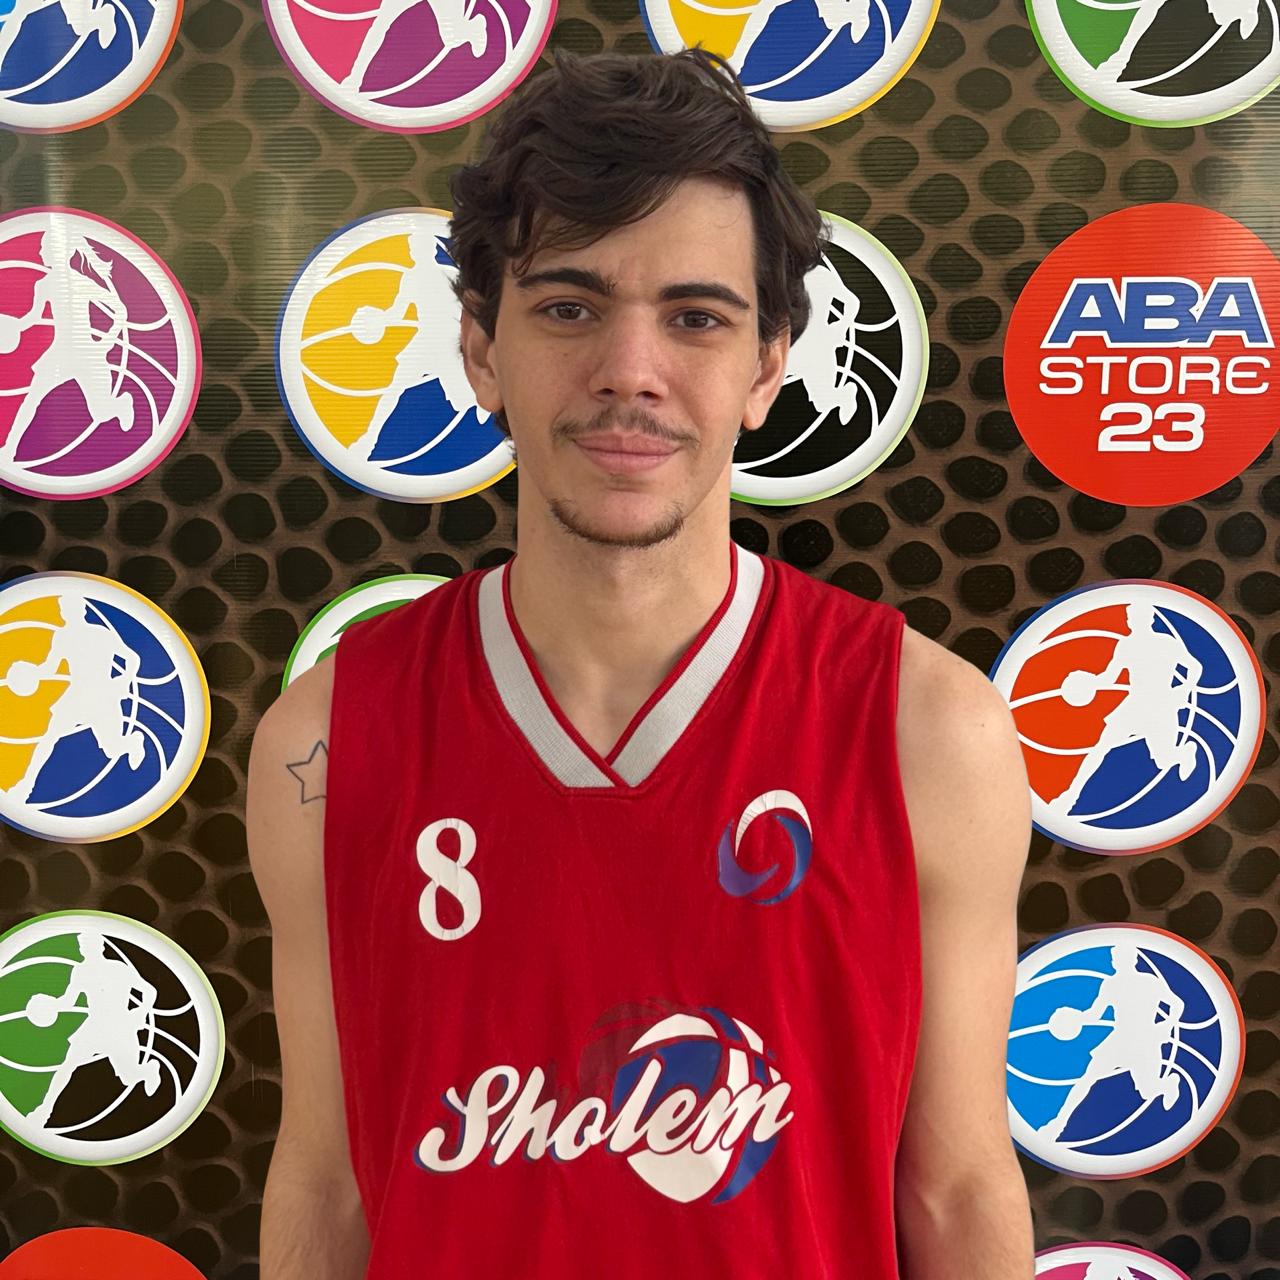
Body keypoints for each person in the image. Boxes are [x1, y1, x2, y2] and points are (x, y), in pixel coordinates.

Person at [247, 46, 1035, 1279]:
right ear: (481, 348)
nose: (629, 369)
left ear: (767, 364)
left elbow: (956, 1186)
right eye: (568, 307)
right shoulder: (329, 737)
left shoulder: (927, 728)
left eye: (694, 317)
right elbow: (327, 1179)